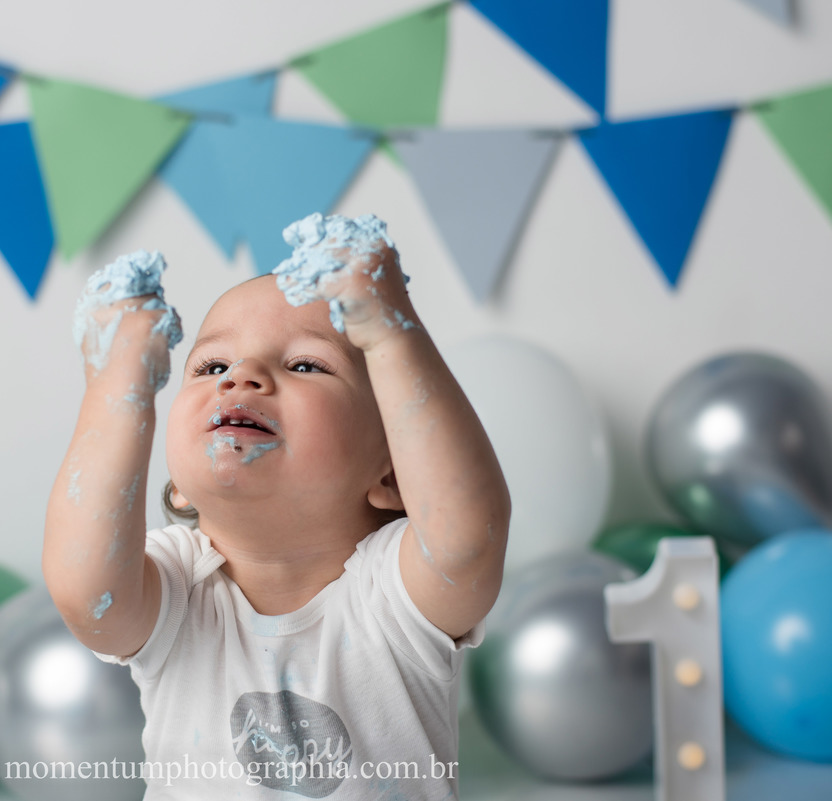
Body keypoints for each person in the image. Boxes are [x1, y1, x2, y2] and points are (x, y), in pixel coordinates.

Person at [44, 214, 510, 799]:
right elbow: (89, 593)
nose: (241, 376)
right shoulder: (179, 585)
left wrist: (392, 332)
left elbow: (468, 537)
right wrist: (116, 392)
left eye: (305, 365)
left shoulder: (394, 595)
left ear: (392, 472)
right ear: (179, 487)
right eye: (211, 366)